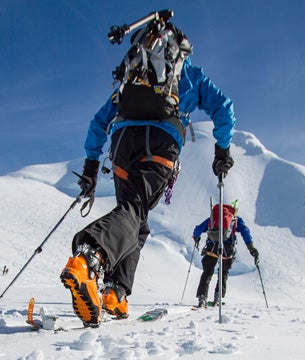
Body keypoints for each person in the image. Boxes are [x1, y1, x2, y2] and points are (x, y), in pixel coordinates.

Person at [59, 13, 236, 326]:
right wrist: (222, 151)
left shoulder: (133, 75)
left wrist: (90, 164)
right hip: (161, 141)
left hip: (123, 144)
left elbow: (100, 121)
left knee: (136, 220)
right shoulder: (188, 74)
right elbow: (224, 108)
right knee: (134, 210)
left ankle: (116, 292)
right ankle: (91, 256)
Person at [192, 207, 259, 307]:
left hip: (212, 247)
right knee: (223, 273)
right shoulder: (235, 219)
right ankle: (218, 297)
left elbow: (198, 229)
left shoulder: (213, 218)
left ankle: (202, 297)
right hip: (227, 249)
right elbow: (245, 232)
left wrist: (196, 238)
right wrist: (252, 248)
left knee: (207, 272)